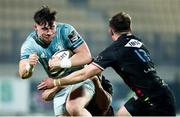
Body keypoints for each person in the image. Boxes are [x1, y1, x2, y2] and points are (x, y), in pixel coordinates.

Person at [38, 12, 176, 116]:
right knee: (121, 114)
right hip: (157, 94)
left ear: (110, 30)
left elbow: (85, 73)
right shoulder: (139, 44)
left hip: (155, 100)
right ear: (130, 28)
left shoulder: (115, 50)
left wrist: (56, 82)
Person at [19, 6, 98, 116]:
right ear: (35, 27)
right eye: (45, 29)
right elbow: (23, 73)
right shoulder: (30, 45)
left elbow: (86, 56)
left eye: (52, 27)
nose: (50, 32)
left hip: (79, 79)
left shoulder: (66, 30)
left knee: (74, 107)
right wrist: (30, 66)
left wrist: (61, 63)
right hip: (59, 88)